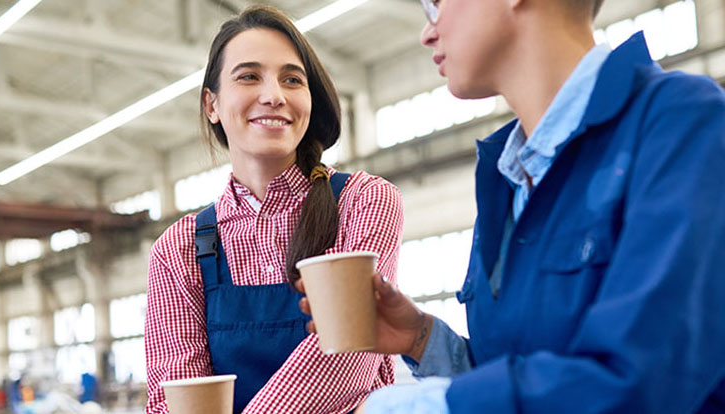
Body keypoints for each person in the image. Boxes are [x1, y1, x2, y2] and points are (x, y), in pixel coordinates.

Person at [297, 0, 725, 412]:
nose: (427, 33)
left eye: (436, 3)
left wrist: (415, 407)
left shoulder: (681, 124)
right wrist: (422, 338)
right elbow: (519, 376)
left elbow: (636, 384)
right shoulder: (507, 177)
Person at [144, 6, 403, 413]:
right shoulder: (180, 248)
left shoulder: (362, 202)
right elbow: (174, 394)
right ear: (211, 104)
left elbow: (346, 355)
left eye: (292, 79)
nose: (274, 95)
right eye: (249, 76)